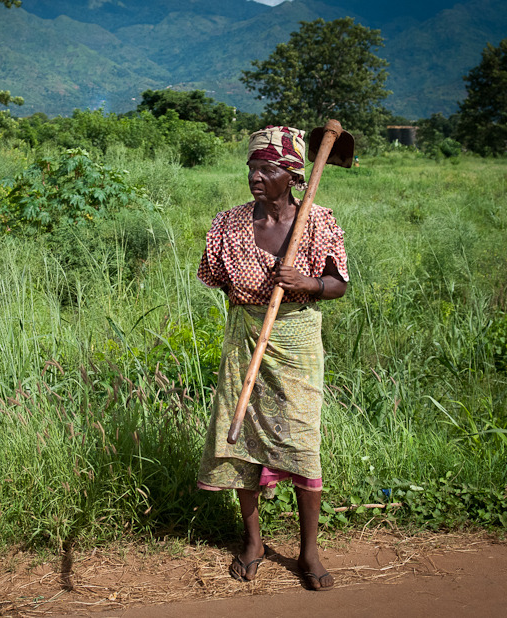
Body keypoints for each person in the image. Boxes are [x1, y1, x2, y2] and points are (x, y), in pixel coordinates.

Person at [196, 125, 348, 591]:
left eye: (267, 169)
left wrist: (308, 284)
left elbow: (339, 284)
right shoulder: (227, 224)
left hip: (298, 338)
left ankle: (308, 551)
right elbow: (214, 276)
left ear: (293, 175)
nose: (256, 177)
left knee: (302, 441)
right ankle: (254, 541)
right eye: (252, 168)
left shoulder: (319, 222)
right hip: (244, 336)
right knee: (241, 440)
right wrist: (252, 299)